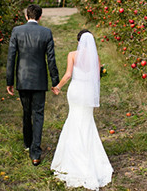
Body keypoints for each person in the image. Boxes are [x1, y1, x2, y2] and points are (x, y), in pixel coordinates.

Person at [51, 30, 113, 190]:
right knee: (87, 122)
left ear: (78, 41)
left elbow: (68, 75)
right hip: (88, 93)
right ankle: (90, 159)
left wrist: (58, 87)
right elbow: (97, 77)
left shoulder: (72, 55)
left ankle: (72, 160)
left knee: (73, 119)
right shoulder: (95, 57)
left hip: (76, 92)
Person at [6, 4, 60, 166]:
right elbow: (51, 59)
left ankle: (28, 143)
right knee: (38, 114)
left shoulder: (17, 31)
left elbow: (11, 57)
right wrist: (55, 81)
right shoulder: (46, 32)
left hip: (23, 78)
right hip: (39, 80)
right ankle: (35, 152)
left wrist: (10, 81)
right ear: (40, 17)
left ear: (26, 16)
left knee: (26, 112)